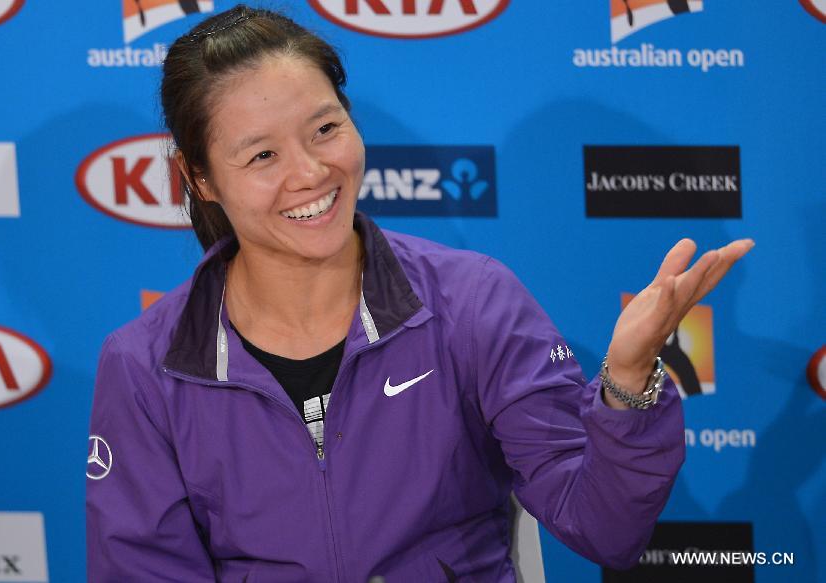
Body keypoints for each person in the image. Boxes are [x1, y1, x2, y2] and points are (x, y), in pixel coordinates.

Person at [85, 5, 753, 581]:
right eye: (262, 156)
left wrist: (629, 379)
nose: (312, 172)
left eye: (325, 129)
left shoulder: (472, 302)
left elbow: (604, 528)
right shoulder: (145, 365)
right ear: (198, 177)